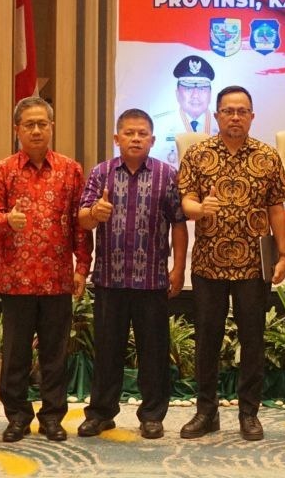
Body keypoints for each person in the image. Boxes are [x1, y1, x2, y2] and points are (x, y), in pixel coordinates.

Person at [176, 85, 285, 441]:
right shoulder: (198, 154)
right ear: (217, 115)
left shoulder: (267, 156)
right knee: (207, 339)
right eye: (228, 111)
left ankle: (249, 413)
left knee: (252, 339)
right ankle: (206, 412)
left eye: (242, 111)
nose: (235, 117)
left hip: (253, 264)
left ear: (252, 116)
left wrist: (284, 254)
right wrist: (200, 209)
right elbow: (186, 201)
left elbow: (276, 208)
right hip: (208, 263)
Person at [76, 108, 188, 441]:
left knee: (153, 352)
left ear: (152, 139)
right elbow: (82, 219)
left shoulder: (168, 175)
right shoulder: (101, 173)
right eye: (129, 133)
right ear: (117, 138)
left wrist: (179, 268)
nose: (136, 139)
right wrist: (95, 213)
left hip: (151, 280)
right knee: (107, 351)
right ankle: (101, 414)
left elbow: (178, 223)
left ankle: (152, 416)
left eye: (142, 134)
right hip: (109, 279)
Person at [0, 97, 90, 443]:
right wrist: (7, 220)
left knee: (54, 355)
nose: (36, 130)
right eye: (29, 124)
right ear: (17, 129)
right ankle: (17, 417)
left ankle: (52, 417)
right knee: (15, 354)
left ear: (52, 127)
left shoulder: (70, 170)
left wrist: (81, 267)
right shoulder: (3, 170)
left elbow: (79, 224)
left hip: (57, 278)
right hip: (16, 279)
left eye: (42, 123)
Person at [156, 54, 215, 164]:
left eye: (202, 89)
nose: (195, 95)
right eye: (188, 88)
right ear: (177, 94)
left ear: (210, 94)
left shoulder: (222, 124)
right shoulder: (159, 125)